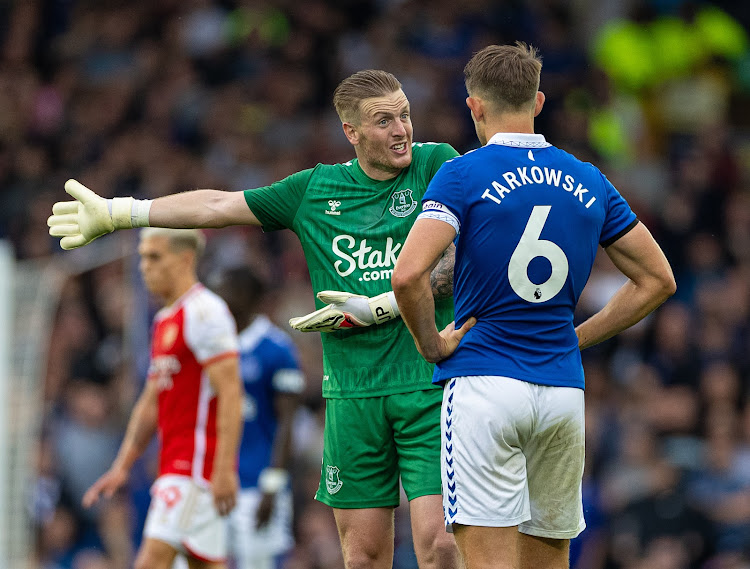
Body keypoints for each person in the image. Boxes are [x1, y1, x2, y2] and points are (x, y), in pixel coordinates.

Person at [49, 70, 461, 569]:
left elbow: (456, 262)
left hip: (427, 384)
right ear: (351, 132)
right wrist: (123, 212)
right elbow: (218, 205)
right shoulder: (315, 189)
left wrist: (384, 305)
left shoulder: (437, 165)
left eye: (405, 115)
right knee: (365, 555)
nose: (402, 130)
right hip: (352, 395)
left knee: (439, 543)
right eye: (384, 121)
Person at [391, 43, 676, 569]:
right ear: (538, 101)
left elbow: (408, 274)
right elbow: (658, 280)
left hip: (484, 386)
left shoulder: (462, 175)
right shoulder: (590, 179)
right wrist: (579, 337)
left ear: (474, 105)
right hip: (563, 395)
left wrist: (431, 344)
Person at [81, 228, 243, 569]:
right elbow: (152, 401)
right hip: (178, 467)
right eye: (142, 257)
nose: (143, 267)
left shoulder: (205, 313)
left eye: (154, 257)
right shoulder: (164, 319)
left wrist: (224, 470)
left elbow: (231, 393)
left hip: (195, 470)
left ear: (185, 259)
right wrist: (122, 466)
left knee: (150, 561)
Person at [213, 266, 305, 569]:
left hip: (257, 484)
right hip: (214, 481)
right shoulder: (211, 344)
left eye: (228, 290)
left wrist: (273, 484)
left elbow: (287, 423)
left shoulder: (276, 349)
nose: (221, 298)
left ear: (247, 296)